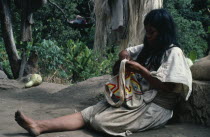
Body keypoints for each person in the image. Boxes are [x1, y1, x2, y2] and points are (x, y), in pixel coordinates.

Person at [15, 9, 192, 137]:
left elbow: (168, 87)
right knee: (89, 112)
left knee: (99, 121)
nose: (148, 36)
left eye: (152, 32)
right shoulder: (148, 47)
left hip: (155, 107)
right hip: (135, 97)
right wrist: (124, 56)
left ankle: (42, 125)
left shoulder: (173, 52)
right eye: (147, 32)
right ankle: (38, 125)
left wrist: (141, 70)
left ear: (163, 33)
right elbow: (128, 52)